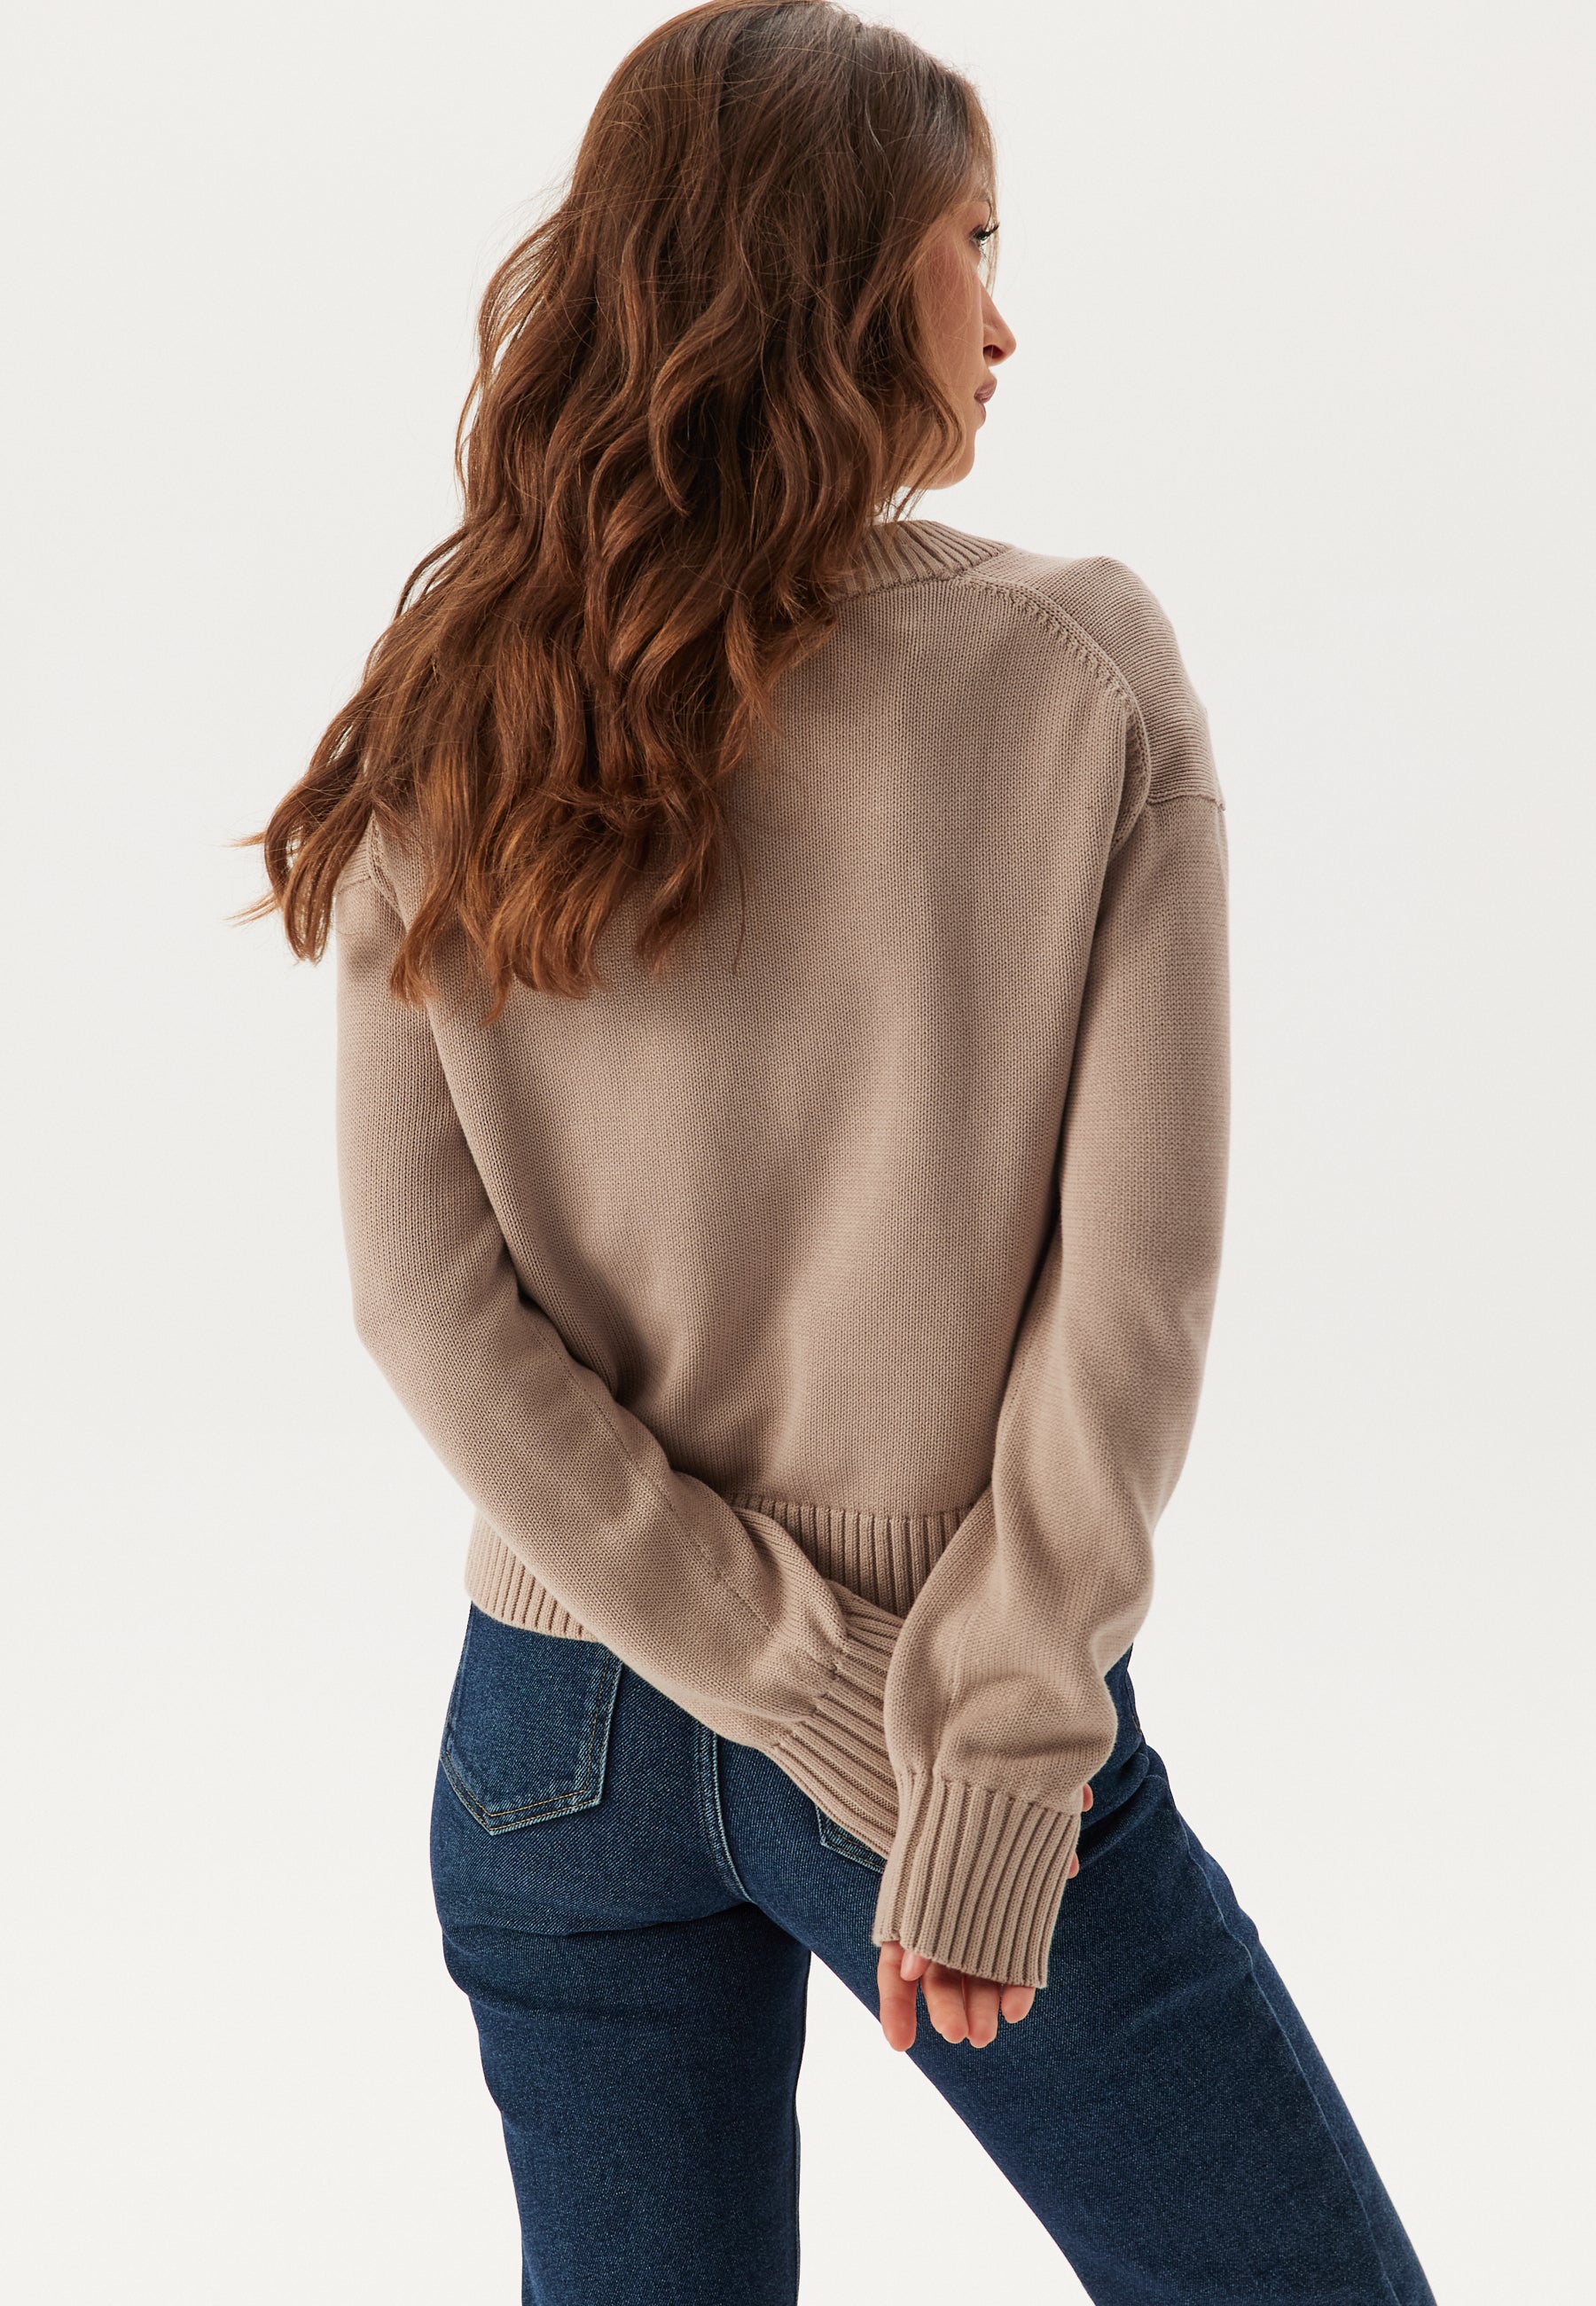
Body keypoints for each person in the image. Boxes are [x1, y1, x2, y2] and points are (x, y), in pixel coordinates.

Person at [243, 4, 1438, 2299]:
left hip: (555, 1733)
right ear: (830, 277)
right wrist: (945, 1744)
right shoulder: (1079, 673)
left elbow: (425, 1308)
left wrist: (744, 1663)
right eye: (970, 244)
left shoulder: (463, 697)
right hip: (938, 1710)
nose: (1004, 319)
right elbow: (1132, 1295)